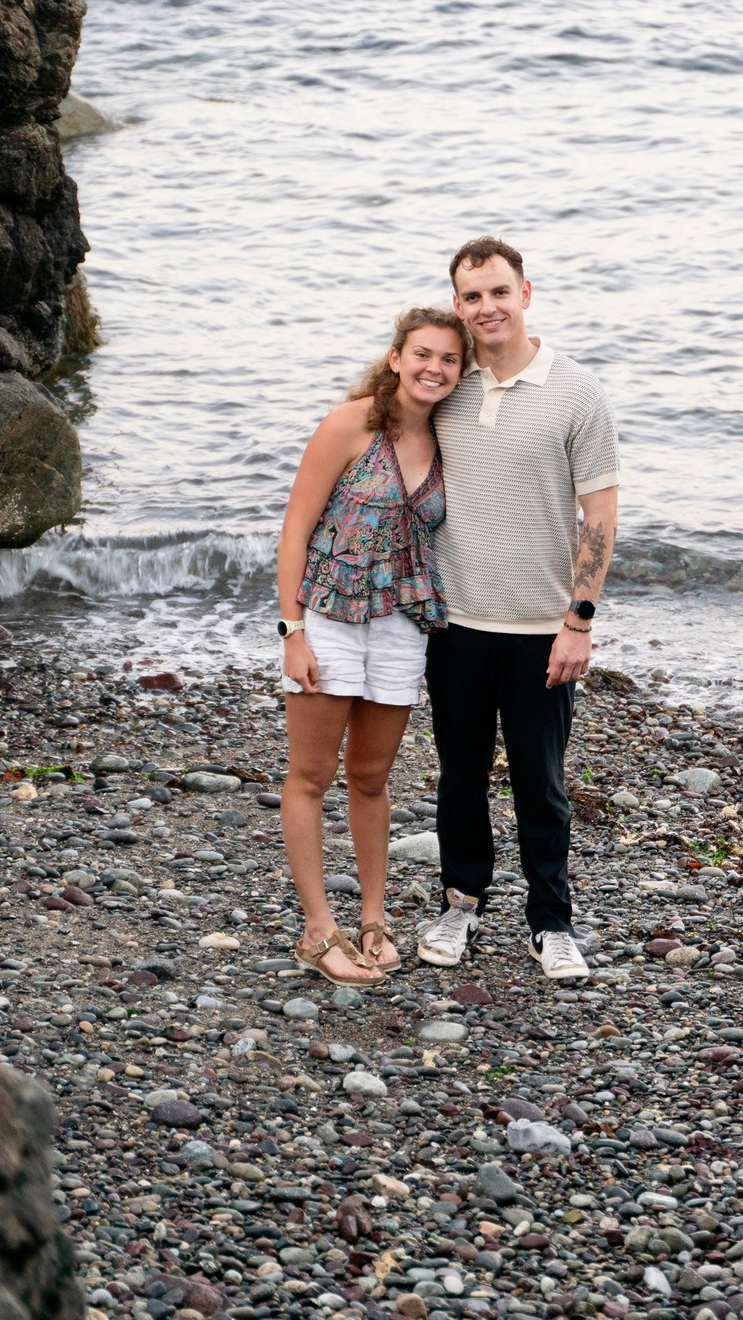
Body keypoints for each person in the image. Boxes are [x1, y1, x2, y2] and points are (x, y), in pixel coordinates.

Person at [413, 237, 619, 982]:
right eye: (471, 297)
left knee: (543, 782)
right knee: (459, 775)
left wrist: (580, 620)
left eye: (498, 292)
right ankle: (461, 903)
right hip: (455, 622)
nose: (486, 307)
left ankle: (551, 924)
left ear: (525, 294)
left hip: (542, 631)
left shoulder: (576, 392)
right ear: (459, 306)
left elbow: (599, 510)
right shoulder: (445, 385)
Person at [273, 307, 470, 984]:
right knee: (310, 776)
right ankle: (317, 929)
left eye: (449, 360)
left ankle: (373, 918)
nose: (433, 368)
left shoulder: (448, 438)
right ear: (395, 358)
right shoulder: (351, 424)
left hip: (401, 623)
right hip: (328, 616)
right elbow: (295, 530)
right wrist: (292, 631)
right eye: (422, 355)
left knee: (371, 778)